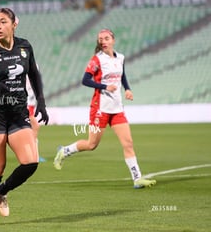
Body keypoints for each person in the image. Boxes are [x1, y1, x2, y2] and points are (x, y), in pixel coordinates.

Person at [0, 7, 49, 227]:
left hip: (18, 112)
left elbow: (33, 74)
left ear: (14, 23)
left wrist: (41, 101)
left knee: (30, 162)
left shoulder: (25, 46)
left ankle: (3, 191)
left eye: (3, 22)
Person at [53, 29, 156, 189]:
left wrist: (127, 89)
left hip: (117, 109)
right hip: (99, 108)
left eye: (106, 38)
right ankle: (65, 151)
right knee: (91, 144)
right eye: (101, 39)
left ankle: (137, 178)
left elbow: (122, 76)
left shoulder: (120, 57)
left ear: (113, 40)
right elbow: (85, 80)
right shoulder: (97, 60)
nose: (103, 41)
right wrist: (105, 86)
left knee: (128, 143)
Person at [26, 76, 46, 162]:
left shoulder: (33, 65)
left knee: (32, 129)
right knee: (35, 126)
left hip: (31, 103)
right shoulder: (24, 64)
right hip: (26, 102)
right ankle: (33, 155)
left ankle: (32, 154)